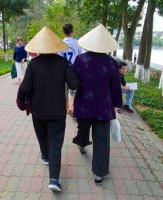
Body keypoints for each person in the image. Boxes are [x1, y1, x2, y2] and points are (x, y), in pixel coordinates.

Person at [22, 27, 79, 192]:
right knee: (56, 143)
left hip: (37, 110)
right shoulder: (63, 63)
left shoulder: (33, 64)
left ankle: (45, 157)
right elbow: (74, 84)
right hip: (57, 111)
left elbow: (25, 87)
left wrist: (26, 96)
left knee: (41, 135)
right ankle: (54, 179)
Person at [72, 24, 122, 186]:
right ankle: (99, 173)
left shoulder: (80, 60)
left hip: (84, 104)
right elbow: (116, 86)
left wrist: (72, 97)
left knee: (83, 129)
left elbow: (73, 82)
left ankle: (81, 143)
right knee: (102, 139)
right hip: (103, 106)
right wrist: (116, 105)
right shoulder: (111, 62)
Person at [59, 24, 82, 117]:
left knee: (64, 90)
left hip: (63, 70)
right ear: (72, 31)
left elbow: (59, 57)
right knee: (73, 90)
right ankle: (71, 108)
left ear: (63, 32)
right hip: (74, 69)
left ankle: (65, 107)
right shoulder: (78, 43)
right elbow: (80, 56)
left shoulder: (60, 42)